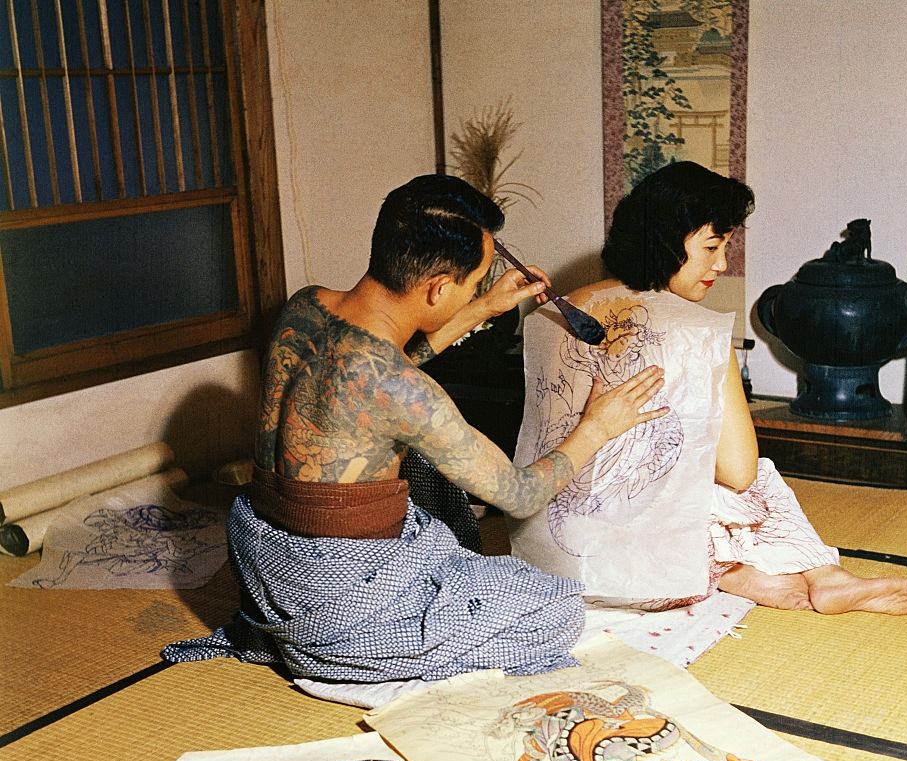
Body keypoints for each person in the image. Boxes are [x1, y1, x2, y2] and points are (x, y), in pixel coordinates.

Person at [163, 174, 667, 701]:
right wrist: (596, 428)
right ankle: (343, 652)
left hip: (263, 557)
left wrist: (477, 310)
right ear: (437, 287)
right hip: (338, 591)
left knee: (425, 480)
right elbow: (519, 495)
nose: (477, 293)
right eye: (473, 285)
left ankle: (313, 632)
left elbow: (365, 381)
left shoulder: (305, 305)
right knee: (556, 607)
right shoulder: (405, 392)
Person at [511, 161, 907, 616]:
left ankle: (742, 575)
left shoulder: (549, 315)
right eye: (712, 246)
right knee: (750, 477)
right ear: (666, 243)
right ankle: (821, 576)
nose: (722, 264)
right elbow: (739, 474)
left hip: (548, 559)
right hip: (647, 575)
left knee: (654, 474)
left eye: (726, 246)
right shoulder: (699, 330)